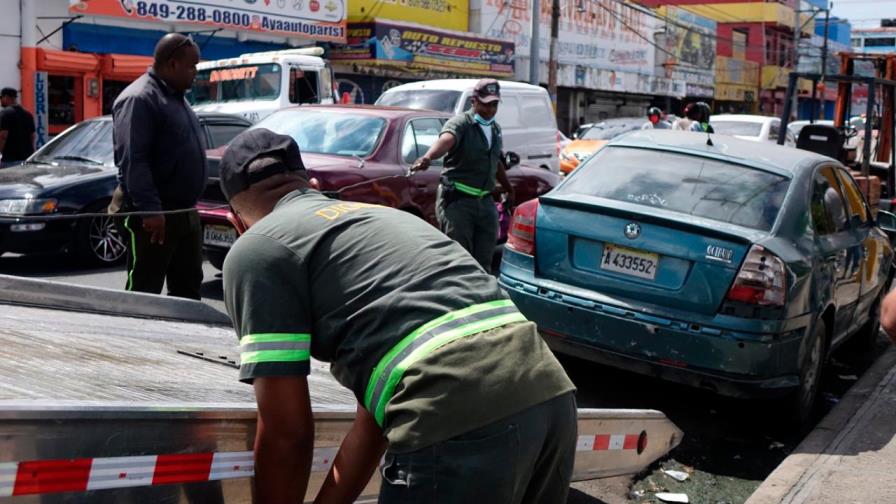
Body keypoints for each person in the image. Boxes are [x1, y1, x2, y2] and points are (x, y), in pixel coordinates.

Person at [219, 128, 577, 504]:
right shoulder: (379, 219)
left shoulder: (256, 249)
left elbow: (286, 434)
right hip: (550, 396)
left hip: (456, 409)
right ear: (310, 185)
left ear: (235, 222)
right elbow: (373, 421)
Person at [111, 33, 207, 300]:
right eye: (192, 66)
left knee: (188, 290)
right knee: (144, 292)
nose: (195, 73)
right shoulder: (139, 98)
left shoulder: (178, 98)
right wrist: (151, 211)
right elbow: (133, 160)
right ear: (172, 64)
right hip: (154, 216)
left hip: (184, 212)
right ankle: (134, 343)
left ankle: (184, 343)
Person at [411, 78, 515, 271]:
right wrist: (427, 158)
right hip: (458, 202)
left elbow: (496, 161)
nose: (490, 110)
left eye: (494, 105)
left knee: (484, 262)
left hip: (485, 202)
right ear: (474, 101)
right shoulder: (460, 124)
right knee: (459, 261)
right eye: (485, 105)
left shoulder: (495, 129)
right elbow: (446, 140)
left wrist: (509, 189)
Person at [0, 87, 36, 167]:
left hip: (9, 159)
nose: (0, 101)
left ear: (6, 97)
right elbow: (32, 136)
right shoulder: (28, 114)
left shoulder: (4, 114)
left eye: (1, 98)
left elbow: (3, 136)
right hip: (26, 159)